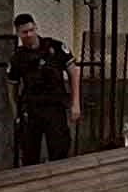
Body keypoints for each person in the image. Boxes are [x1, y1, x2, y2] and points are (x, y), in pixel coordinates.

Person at [5, 14, 78, 167]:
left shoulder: (55, 47)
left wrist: (75, 103)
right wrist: (15, 114)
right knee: (30, 154)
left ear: (36, 28)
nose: (29, 35)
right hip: (32, 110)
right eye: (24, 32)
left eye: (32, 30)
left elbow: (73, 72)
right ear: (18, 33)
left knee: (60, 151)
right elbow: (12, 86)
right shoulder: (18, 58)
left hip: (55, 107)